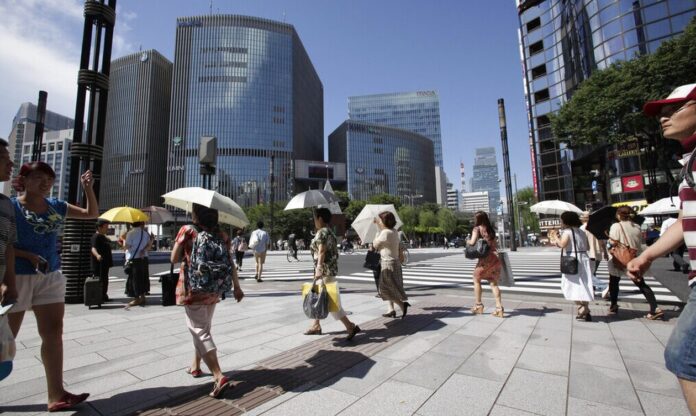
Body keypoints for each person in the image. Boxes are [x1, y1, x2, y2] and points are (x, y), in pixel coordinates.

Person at [626, 84, 696, 414]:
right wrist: (648, 255)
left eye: (674, 110)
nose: (663, 118)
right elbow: (684, 221)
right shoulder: (689, 161)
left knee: (683, 356)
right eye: (661, 113)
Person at [8, 161, 97, 412]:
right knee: (7, 338)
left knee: (54, 332)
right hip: (17, 275)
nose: (45, 183)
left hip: (50, 275)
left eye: (49, 179)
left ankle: (56, 394)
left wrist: (87, 189)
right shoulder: (10, 207)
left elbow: (91, 213)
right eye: (39, 178)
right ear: (24, 180)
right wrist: (27, 255)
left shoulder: (56, 206)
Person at [171, 203, 243, 398]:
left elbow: (174, 258)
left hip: (193, 288)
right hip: (214, 289)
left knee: (199, 330)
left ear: (196, 214)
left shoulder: (187, 230)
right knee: (204, 328)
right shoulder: (221, 235)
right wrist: (237, 287)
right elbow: (230, 262)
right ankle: (195, 365)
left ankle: (218, 376)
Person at [303, 208, 361, 340]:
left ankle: (350, 326)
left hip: (324, 271)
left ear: (320, 218)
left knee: (330, 301)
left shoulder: (322, 232)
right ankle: (316, 325)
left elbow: (322, 251)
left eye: (315, 218)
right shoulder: (330, 232)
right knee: (319, 298)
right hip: (329, 270)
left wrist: (318, 268)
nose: (314, 221)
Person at [607, 206, 662, 318]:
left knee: (614, 281)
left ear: (619, 215)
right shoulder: (637, 226)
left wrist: (608, 242)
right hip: (633, 257)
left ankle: (613, 305)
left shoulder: (616, 226)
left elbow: (612, 242)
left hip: (620, 257)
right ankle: (654, 307)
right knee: (640, 282)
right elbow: (640, 243)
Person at [550, 211, 594, 321]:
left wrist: (555, 236)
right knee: (584, 284)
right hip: (584, 258)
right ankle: (585, 309)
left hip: (573, 260)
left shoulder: (567, 232)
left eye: (562, 220)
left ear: (566, 221)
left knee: (570, 285)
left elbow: (562, 244)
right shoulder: (581, 231)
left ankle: (581, 308)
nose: (561, 222)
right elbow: (587, 247)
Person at [373, 211, 410, 318]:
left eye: (380, 220)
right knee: (391, 288)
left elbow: (375, 244)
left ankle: (402, 305)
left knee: (383, 290)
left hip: (388, 264)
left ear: (384, 221)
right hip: (395, 263)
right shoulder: (394, 231)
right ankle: (391, 309)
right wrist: (378, 226)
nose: (379, 221)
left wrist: (376, 232)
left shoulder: (385, 233)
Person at [468, 211, 504, 317]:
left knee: (476, 279)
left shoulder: (477, 229)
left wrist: (467, 241)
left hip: (485, 260)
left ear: (478, 219)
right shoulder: (491, 229)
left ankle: (478, 305)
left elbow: (472, 242)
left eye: (475, 218)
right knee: (494, 283)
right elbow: (495, 245)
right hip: (495, 258)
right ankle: (499, 308)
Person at [0, 139, 17, 310]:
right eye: (3, 158)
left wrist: (9, 283)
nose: (11, 164)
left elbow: (8, 247)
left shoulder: (6, 204)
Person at [579, 211, 609, 299]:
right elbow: (602, 241)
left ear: (583, 219)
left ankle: (603, 286)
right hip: (598, 253)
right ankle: (592, 290)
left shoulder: (583, 228)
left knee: (587, 274)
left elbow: (582, 243)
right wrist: (605, 252)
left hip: (589, 253)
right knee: (592, 272)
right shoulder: (598, 227)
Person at [124, 222, 150, 307]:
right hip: (144, 258)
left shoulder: (130, 233)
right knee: (143, 277)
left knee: (134, 279)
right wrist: (143, 250)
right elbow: (149, 245)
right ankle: (143, 297)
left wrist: (125, 241)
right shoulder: (145, 233)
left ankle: (137, 298)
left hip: (134, 258)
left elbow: (126, 246)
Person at [90, 218, 113, 302]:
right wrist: (97, 255)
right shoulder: (96, 237)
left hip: (105, 263)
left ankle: (104, 295)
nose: (107, 228)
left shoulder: (103, 237)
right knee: (100, 280)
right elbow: (93, 248)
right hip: (99, 263)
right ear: (99, 227)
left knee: (105, 279)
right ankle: (99, 296)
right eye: (106, 227)